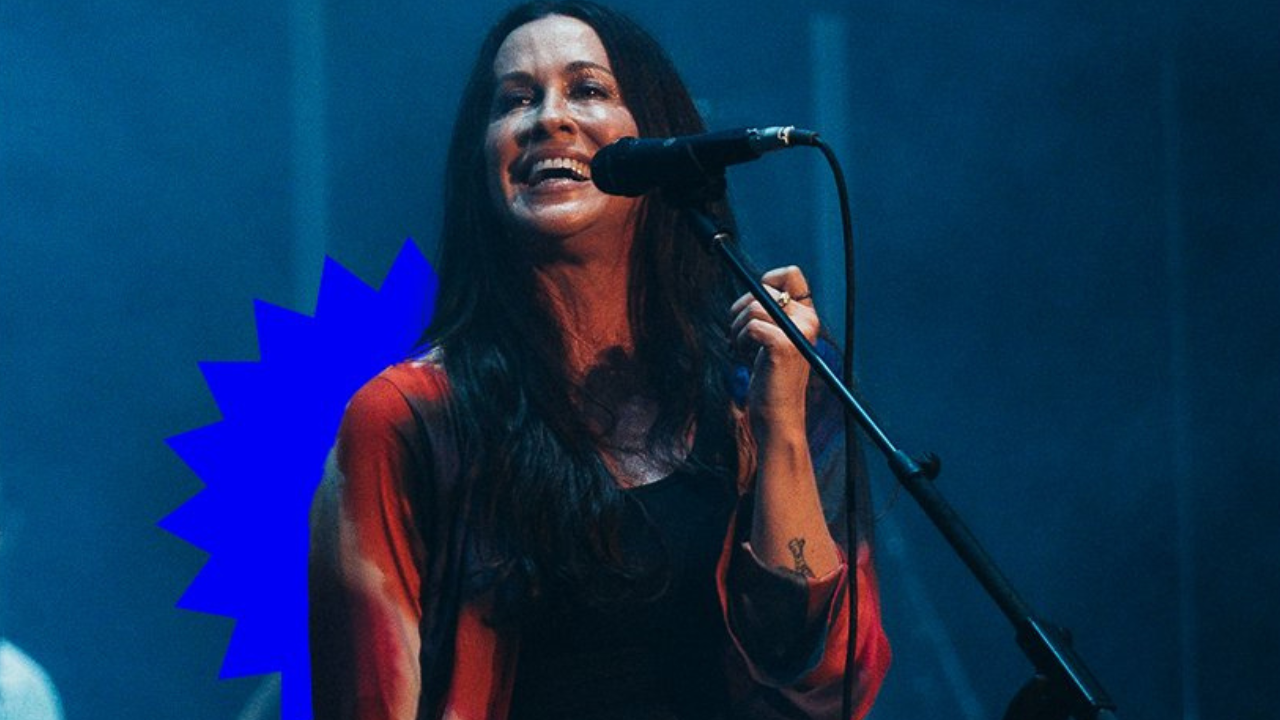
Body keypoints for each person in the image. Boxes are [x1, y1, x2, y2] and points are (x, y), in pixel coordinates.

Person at [308, 2, 890, 718]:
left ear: (659, 139)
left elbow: (833, 680)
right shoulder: (407, 418)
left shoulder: (770, 374)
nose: (548, 118)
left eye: (587, 89)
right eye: (514, 100)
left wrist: (782, 428)